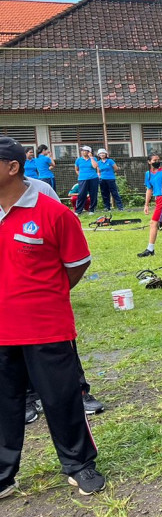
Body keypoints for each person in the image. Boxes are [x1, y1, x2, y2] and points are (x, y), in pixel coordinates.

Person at [0, 137, 106, 498]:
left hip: (46, 326)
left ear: (12, 167)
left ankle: (79, 464)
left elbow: (77, 264)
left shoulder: (54, 213)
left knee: (62, 398)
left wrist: (46, 295)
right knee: (4, 402)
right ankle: (4, 473)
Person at [73, 145, 99, 215]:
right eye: (82, 151)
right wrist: (81, 175)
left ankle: (92, 210)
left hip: (93, 178)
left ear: (89, 152)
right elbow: (76, 169)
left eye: (84, 150)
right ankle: (78, 210)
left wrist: (91, 157)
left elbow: (95, 166)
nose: (82, 152)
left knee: (93, 194)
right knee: (82, 194)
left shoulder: (94, 158)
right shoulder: (78, 160)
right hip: (82, 179)